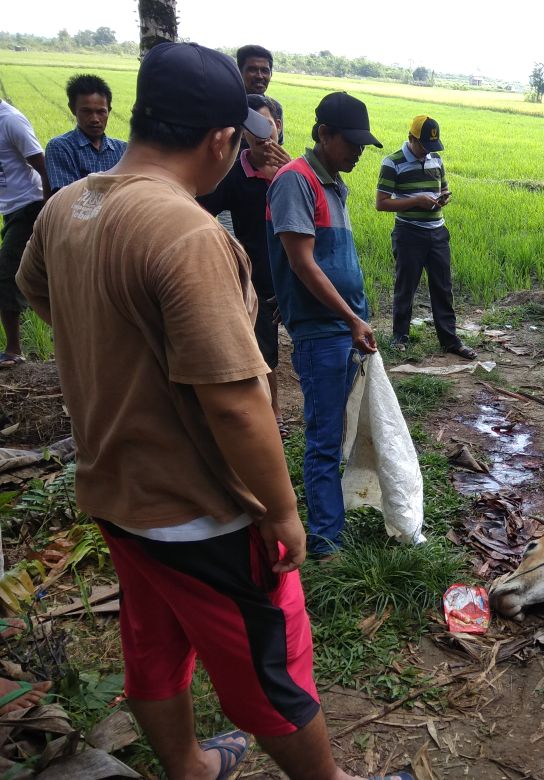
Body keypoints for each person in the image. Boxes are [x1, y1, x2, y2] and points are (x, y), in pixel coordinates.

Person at [19, 42, 401, 780]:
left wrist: (123, 360)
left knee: (153, 632)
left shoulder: (69, 204)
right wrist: (282, 512)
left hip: (116, 487)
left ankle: (188, 765)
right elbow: (234, 403)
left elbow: (44, 297)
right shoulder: (186, 232)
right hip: (203, 510)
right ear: (223, 140)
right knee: (269, 659)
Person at [267, 92, 381, 559]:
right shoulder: (297, 180)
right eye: (350, 141)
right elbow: (302, 262)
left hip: (342, 323)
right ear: (323, 134)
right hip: (325, 330)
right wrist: (351, 317)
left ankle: (336, 521)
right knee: (325, 439)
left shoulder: (333, 182)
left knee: (345, 430)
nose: (358, 150)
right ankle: (326, 541)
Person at [198, 94, 291, 437]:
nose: (262, 136)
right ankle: (274, 410)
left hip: (299, 273)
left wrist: (288, 171)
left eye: (268, 125)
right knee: (264, 351)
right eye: (252, 129)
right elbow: (201, 213)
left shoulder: (295, 171)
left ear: (278, 126)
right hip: (260, 276)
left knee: (315, 342)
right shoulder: (235, 172)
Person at [376, 115, 477, 359]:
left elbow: (443, 188)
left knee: (443, 287)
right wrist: (417, 201)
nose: (427, 152)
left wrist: (443, 197)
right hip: (408, 233)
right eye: (423, 146)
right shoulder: (392, 162)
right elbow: (381, 203)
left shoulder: (436, 159)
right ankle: (400, 337)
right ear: (411, 138)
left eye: (432, 147)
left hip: (438, 232)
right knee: (405, 287)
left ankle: (449, 340)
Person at [0, 98, 50, 370]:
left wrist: (45, 215)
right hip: (10, 210)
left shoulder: (10, 121)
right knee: (27, 274)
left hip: (29, 207)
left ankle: (13, 350)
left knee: (6, 273)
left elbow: (43, 168)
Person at [44, 75, 127, 193]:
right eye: (86, 111)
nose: (95, 119)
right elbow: (66, 197)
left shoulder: (122, 149)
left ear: (109, 110)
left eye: (101, 112)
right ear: (73, 109)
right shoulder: (61, 147)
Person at [237, 45, 284, 144]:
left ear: (271, 74)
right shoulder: (228, 105)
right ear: (239, 72)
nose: (259, 76)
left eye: (265, 71)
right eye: (252, 70)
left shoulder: (275, 107)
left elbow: (277, 147)